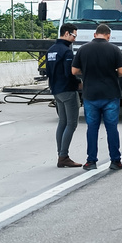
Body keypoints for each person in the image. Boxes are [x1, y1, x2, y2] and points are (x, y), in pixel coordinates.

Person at [71, 24, 122, 171]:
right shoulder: (114, 49)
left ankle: (91, 161)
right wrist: (111, 73)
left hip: (91, 95)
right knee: (112, 128)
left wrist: (86, 72)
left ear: (95, 34)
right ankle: (115, 161)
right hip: (110, 94)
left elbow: (74, 70)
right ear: (108, 36)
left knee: (92, 128)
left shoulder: (83, 49)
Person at [46, 22, 82, 168]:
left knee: (62, 122)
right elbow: (69, 73)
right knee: (72, 123)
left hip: (56, 90)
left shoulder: (51, 50)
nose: (74, 39)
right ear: (66, 33)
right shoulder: (66, 52)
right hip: (68, 90)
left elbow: (48, 72)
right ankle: (64, 156)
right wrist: (78, 83)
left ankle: (60, 154)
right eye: (74, 35)